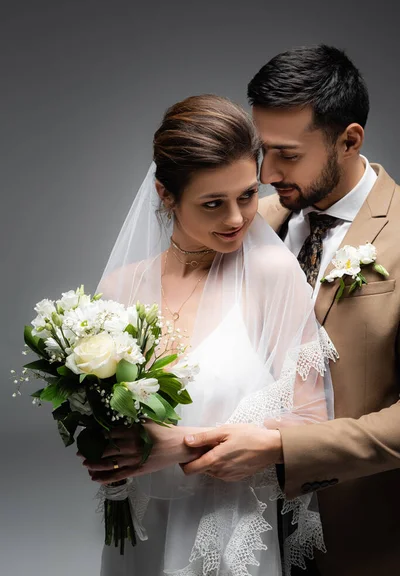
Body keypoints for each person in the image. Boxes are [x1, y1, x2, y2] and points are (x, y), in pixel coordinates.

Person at [82, 94, 338, 576]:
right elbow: (98, 418)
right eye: (213, 203)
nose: (238, 219)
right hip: (142, 531)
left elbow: (312, 423)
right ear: (165, 195)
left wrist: (183, 446)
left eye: (246, 195)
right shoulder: (122, 286)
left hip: (229, 532)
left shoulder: (271, 274)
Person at [182, 46, 400, 576]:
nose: (266, 173)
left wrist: (282, 447)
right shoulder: (253, 222)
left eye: (287, 154)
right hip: (242, 527)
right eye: (262, 151)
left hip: (359, 533)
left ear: (349, 140)